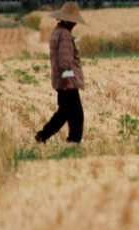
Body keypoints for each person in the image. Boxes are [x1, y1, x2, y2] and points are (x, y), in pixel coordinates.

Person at [35, 2, 87, 144]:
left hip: (61, 79)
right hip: (66, 81)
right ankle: (69, 140)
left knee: (66, 112)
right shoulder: (64, 34)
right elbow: (64, 60)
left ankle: (45, 136)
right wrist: (68, 80)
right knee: (75, 114)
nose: (75, 24)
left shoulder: (57, 31)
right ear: (68, 21)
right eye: (74, 21)